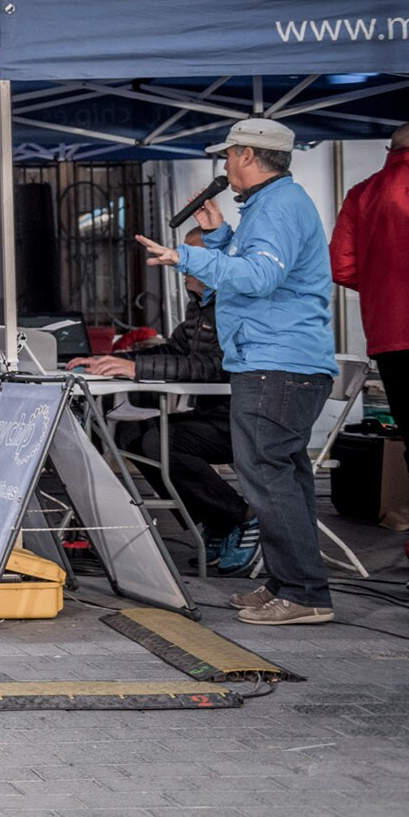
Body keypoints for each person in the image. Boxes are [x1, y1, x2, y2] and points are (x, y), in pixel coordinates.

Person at [137, 117, 338, 626]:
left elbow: (260, 277)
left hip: (278, 362)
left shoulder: (279, 205)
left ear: (248, 156)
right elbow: (255, 266)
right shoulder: (269, 207)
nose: (223, 164)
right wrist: (219, 234)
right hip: (274, 360)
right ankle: (288, 583)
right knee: (282, 477)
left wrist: (188, 255)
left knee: (269, 477)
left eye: (228, 155)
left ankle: (305, 593)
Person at [71, 229, 255, 572]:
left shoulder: (231, 303)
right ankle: (217, 519)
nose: (182, 261)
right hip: (211, 414)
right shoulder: (199, 305)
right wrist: (113, 360)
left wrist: (135, 366)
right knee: (131, 438)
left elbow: (215, 365)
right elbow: (177, 350)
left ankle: (239, 516)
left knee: (159, 442)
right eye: (182, 252)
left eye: (192, 254)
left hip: (241, 417)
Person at [331, 121, 409, 595]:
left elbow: (343, 266)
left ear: (389, 150)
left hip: (394, 335)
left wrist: (386, 287)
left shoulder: (364, 192)